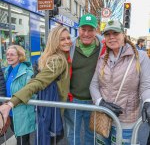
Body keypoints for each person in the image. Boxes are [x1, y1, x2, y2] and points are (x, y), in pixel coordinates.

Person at [0, 26, 72, 145]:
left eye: (68, 38)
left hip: (48, 107)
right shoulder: (58, 60)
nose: (67, 42)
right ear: (55, 41)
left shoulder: (51, 56)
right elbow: (37, 82)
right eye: (62, 39)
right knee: (53, 136)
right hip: (52, 108)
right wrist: (10, 104)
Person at [89, 20, 150, 145]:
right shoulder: (102, 59)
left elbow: (145, 85)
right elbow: (93, 85)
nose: (111, 37)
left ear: (123, 34)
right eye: (107, 34)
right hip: (103, 117)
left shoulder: (140, 56)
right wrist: (101, 102)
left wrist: (148, 102)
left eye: (115, 33)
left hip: (126, 120)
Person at [64, 13, 103, 145]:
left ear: (96, 30)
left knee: (91, 135)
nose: (86, 34)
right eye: (83, 29)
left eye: (90, 30)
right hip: (73, 99)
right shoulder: (70, 46)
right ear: (78, 29)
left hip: (94, 101)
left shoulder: (103, 47)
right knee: (72, 133)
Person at [5, 45, 36, 145]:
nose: (9, 57)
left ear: (19, 56)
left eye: (12, 55)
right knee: (19, 138)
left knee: (22, 142)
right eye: (7, 54)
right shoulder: (7, 71)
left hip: (23, 114)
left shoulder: (27, 73)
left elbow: (32, 94)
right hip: (11, 113)